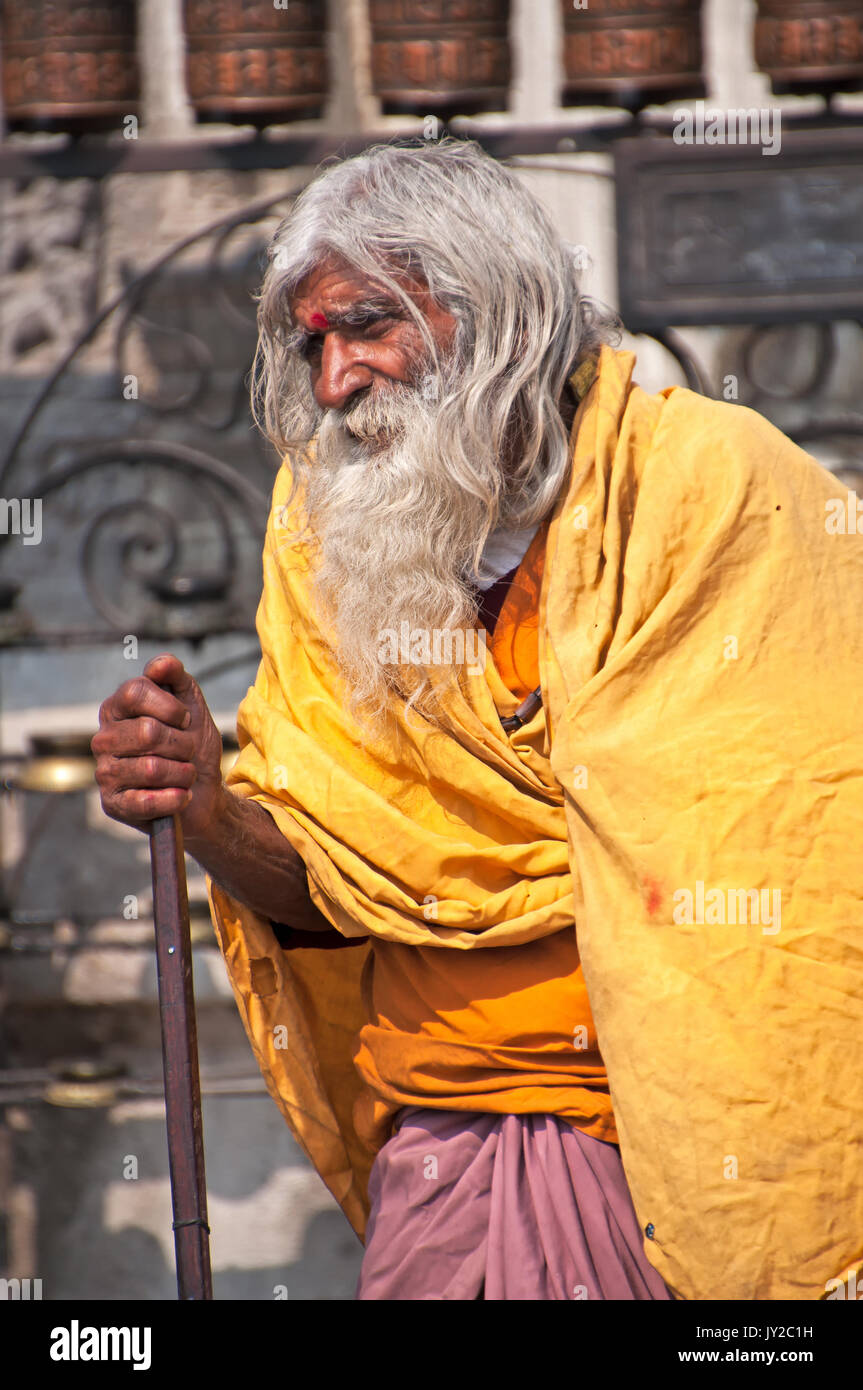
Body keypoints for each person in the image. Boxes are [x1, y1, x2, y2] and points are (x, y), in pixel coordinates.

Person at [92, 139, 863, 1302]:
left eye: (364, 324)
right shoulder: (327, 545)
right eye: (313, 344)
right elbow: (341, 887)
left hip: (680, 1164)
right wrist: (202, 805)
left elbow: (798, 859)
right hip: (441, 1163)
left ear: (493, 308)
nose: (337, 378)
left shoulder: (711, 486)